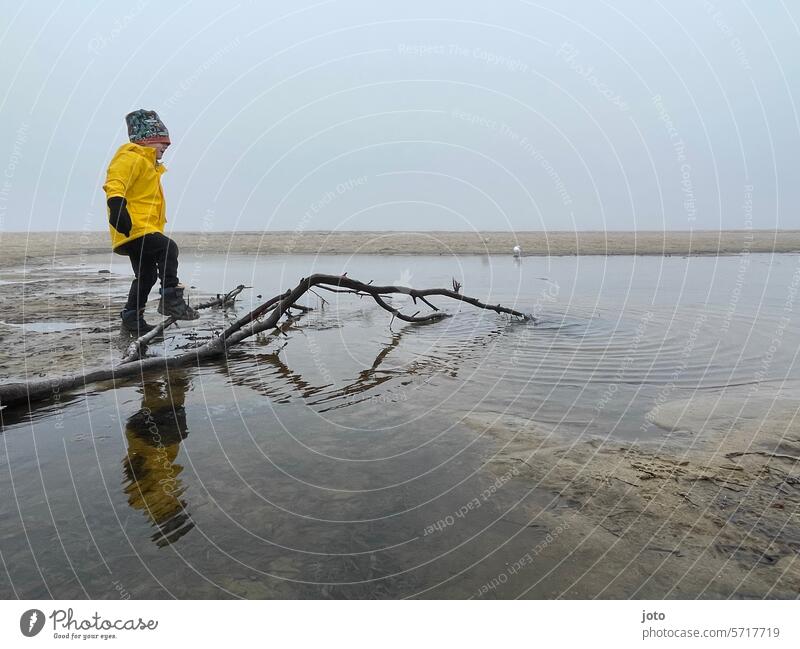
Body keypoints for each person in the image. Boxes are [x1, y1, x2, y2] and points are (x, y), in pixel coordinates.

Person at [103, 109, 198, 335]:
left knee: (146, 275)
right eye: (161, 142)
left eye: (167, 143)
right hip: (133, 227)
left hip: (144, 228)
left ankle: (131, 318)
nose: (165, 147)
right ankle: (170, 298)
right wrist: (117, 208)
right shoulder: (131, 157)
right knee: (169, 247)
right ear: (145, 141)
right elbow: (115, 182)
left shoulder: (151, 166)